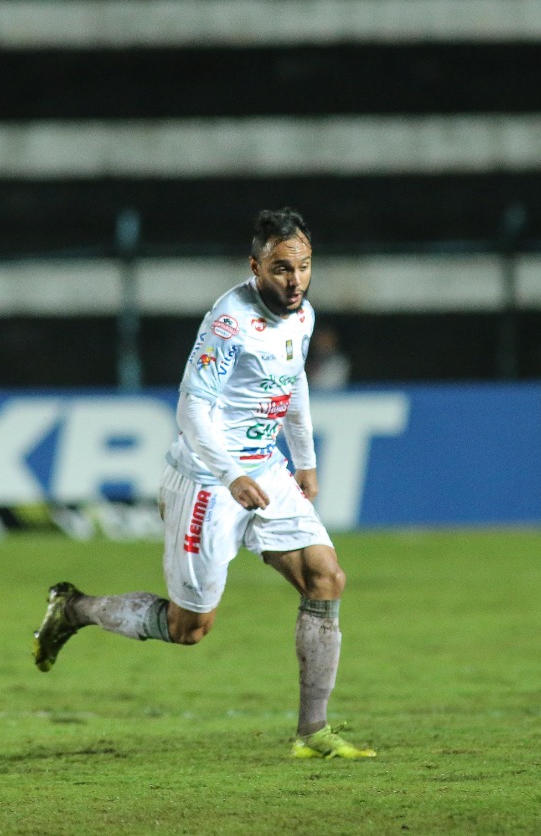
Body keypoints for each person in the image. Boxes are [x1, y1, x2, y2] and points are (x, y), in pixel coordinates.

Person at [32, 208, 374, 760]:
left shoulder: (303, 316)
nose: (295, 281)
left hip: (265, 470)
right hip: (207, 481)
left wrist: (304, 458)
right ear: (255, 266)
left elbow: (294, 384)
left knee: (326, 577)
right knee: (190, 627)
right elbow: (192, 408)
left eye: (304, 267)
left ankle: (313, 733)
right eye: (282, 269)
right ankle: (73, 609)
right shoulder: (228, 321)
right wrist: (230, 474)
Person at [306, 325, 350, 390]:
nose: (322, 343)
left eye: (326, 339)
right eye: (319, 339)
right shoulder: (308, 360)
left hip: (334, 399)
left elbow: (328, 385)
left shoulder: (340, 362)